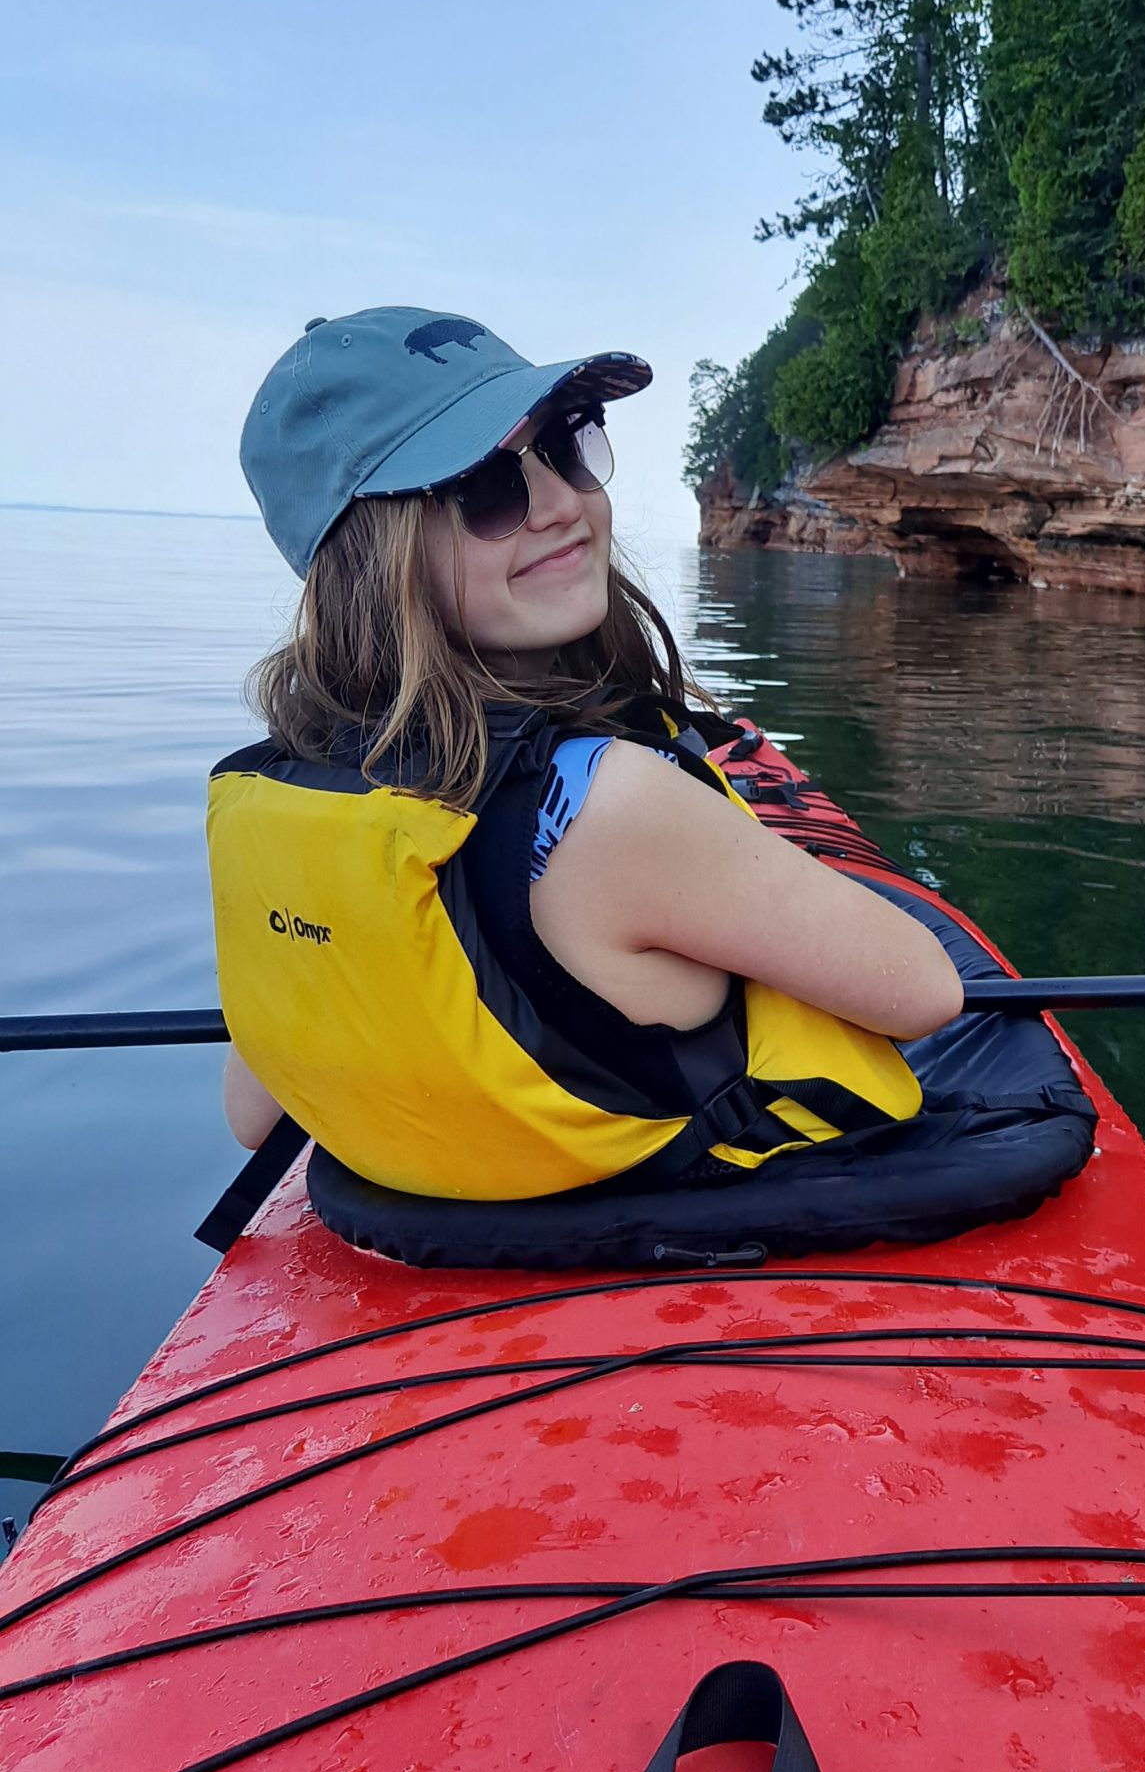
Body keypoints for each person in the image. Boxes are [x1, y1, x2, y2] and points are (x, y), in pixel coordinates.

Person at [212, 307, 962, 1214]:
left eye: (566, 447)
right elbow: (923, 989)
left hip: (436, 1238)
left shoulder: (292, 799)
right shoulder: (611, 806)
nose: (564, 503)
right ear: (373, 556)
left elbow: (252, 1112)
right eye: (486, 485)